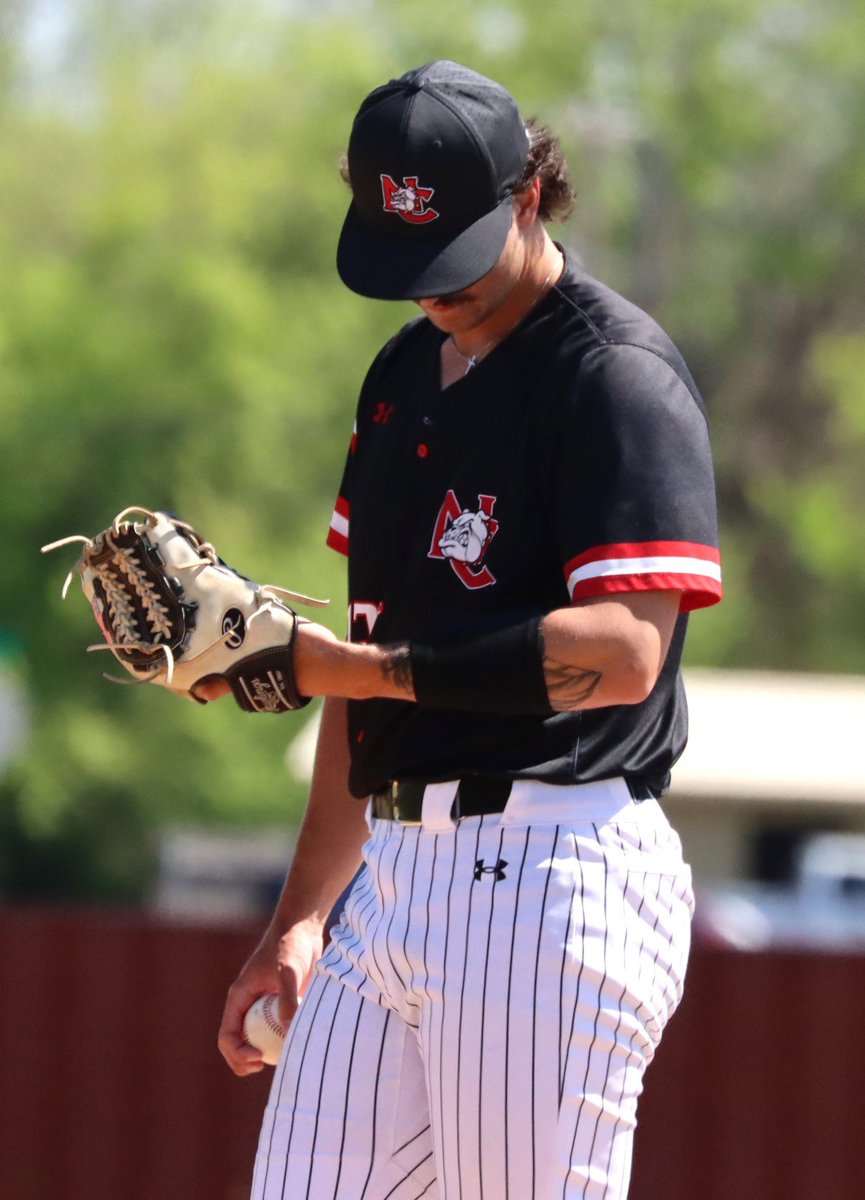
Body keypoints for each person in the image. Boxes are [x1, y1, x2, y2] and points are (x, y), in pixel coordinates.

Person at [217, 59, 722, 1200]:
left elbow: (623, 656)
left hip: (549, 867)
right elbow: (362, 659)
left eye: (448, 247)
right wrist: (299, 920)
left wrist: (353, 667)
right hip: (389, 874)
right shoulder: (400, 377)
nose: (427, 287)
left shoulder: (611, 376)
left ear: (531, 193)